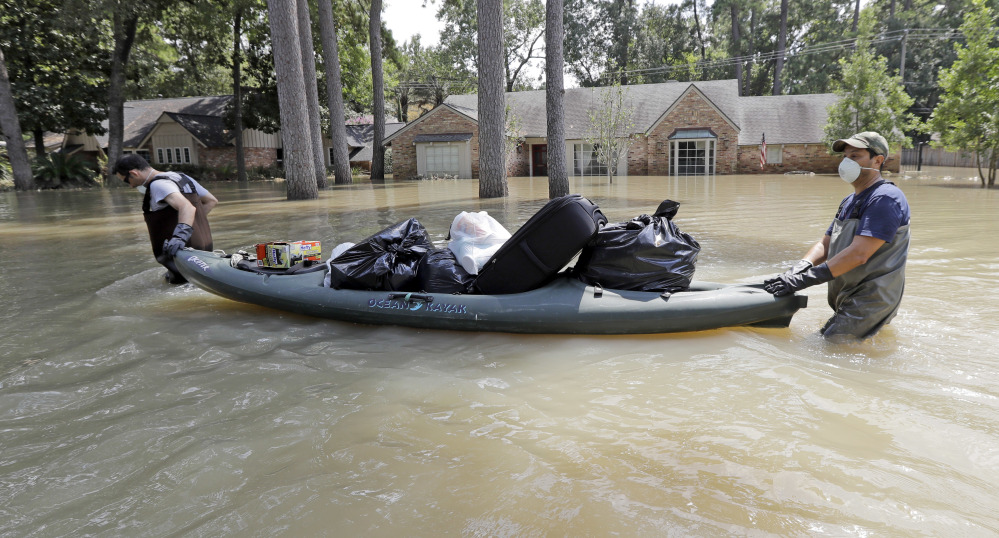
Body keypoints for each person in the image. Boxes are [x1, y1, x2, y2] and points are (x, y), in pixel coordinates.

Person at [764, 131, 910, 339]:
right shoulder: (850, 201)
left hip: (870, 299)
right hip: (849, 295)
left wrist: (805, 280)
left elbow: (859, 254)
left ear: (877, 161)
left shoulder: (885, 198)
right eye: (844, 157)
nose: (846, 162)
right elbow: (826, 244)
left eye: (855, 156)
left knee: (824, 350)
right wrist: (800, 268)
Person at [115, 154, 218, 283]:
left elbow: (187, 207)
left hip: (182, 253)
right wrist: (194, 223)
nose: (130, 186)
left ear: (134, 173)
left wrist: (180, 237)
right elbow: (211, 201)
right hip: (204, 249)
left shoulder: (158, 185)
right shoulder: (181, 177)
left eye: (126, 181)